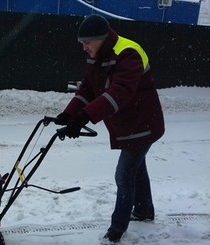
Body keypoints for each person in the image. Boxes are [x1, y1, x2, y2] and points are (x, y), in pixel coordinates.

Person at [56, 14, 165, 243]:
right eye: (82, 43)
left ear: (102, 39)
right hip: (128, 124)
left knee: (124, 174)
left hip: (142, 124)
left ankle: (117, 229)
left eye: (87, 43)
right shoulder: (97, 55)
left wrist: (83, 117)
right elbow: (88, 89)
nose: (84, 48)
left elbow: (118, 93)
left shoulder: (128, 54)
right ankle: (144, 210)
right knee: (136, 168)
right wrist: (69, 114)